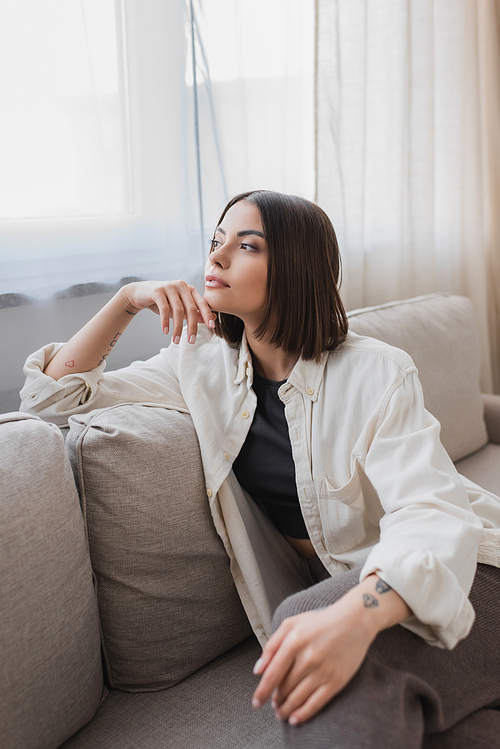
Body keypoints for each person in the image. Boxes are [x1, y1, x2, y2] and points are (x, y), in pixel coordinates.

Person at [20, 190, 500, 747]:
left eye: (246, 246)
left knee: (308, 618)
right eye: (216, 241)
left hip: (466, 574)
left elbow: (430, 513)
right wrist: (128, 299)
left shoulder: (378, 372)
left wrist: (359, 613)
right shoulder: (197, 363)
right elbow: (49, 400)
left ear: (297, 267)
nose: (217, 258)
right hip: (362, 598)